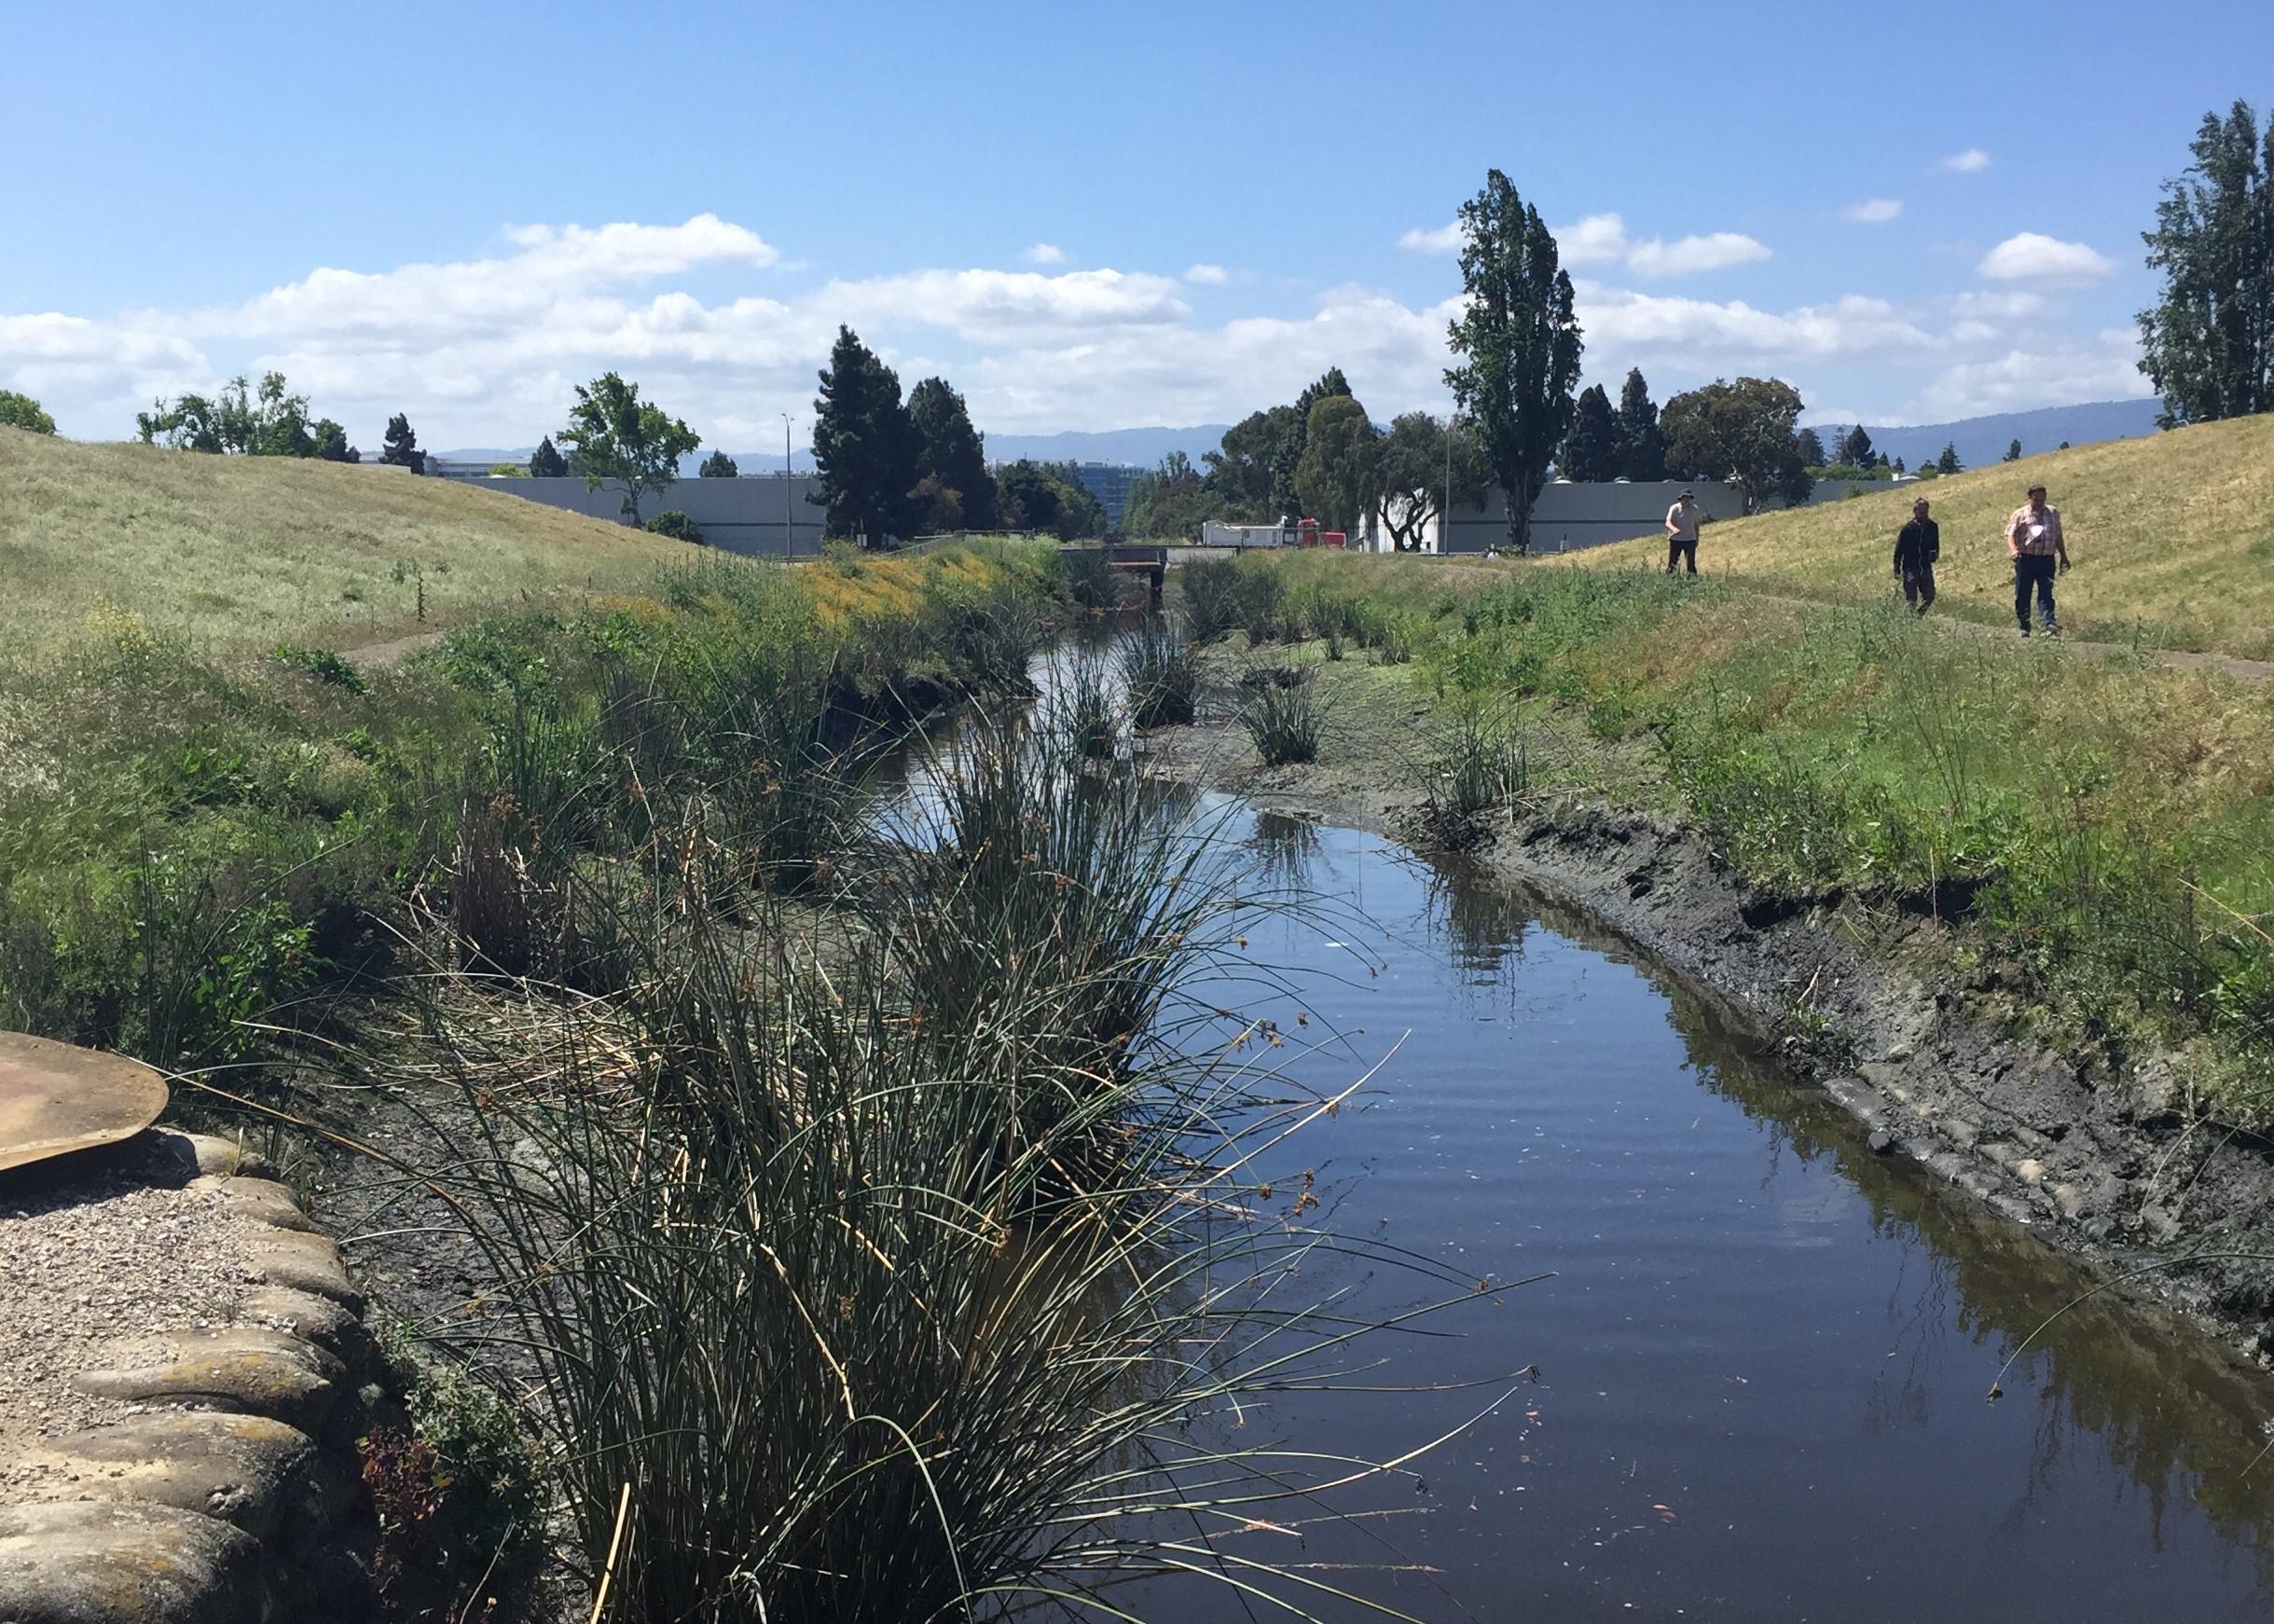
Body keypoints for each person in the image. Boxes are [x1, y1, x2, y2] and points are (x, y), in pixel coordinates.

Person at [2005, 481, 2072, 636]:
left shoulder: (2053, 513)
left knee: (2046, 592)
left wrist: (2063, 557)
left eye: (2043, 500)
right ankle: (2025, 625)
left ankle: (2049, 623)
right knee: (2023, 593)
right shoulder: (2020, 514)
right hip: (2026, 559)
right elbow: (2010, 534)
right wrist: (2013, 550)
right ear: (2030, 498)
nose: (2040, 503)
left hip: (2047, 559)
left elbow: (2058, 536)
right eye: (2037, 500)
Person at [1893, 496, 1939, 615]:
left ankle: (1918, 615)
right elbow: (1899, 549)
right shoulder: (1907, 529)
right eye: (1921, 512)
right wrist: (1897, 568)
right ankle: (1911, 618)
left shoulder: (1933, 527)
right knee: (1911, 598)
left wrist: (1935, 554)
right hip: (1910, 568)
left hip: (1925, 567)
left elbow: (1935, 544)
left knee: (1930, 596)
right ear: (1915, 511)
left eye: (1925, 512)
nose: (1923, 515)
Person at [1664, 489, 1702, 574]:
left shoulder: (1694, 509)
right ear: (1681, 498)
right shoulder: (1674, 508)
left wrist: (1697, 539)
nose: (1686, 500)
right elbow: (1667, 522)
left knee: (1691, 563)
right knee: (1673, 563)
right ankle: (1670, 579)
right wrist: (1673, 529)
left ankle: (1692, 580)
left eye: (1688, 498)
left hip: (1690, 539)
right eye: (1684, 498)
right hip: (1676, 539)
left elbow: (1696, 525)